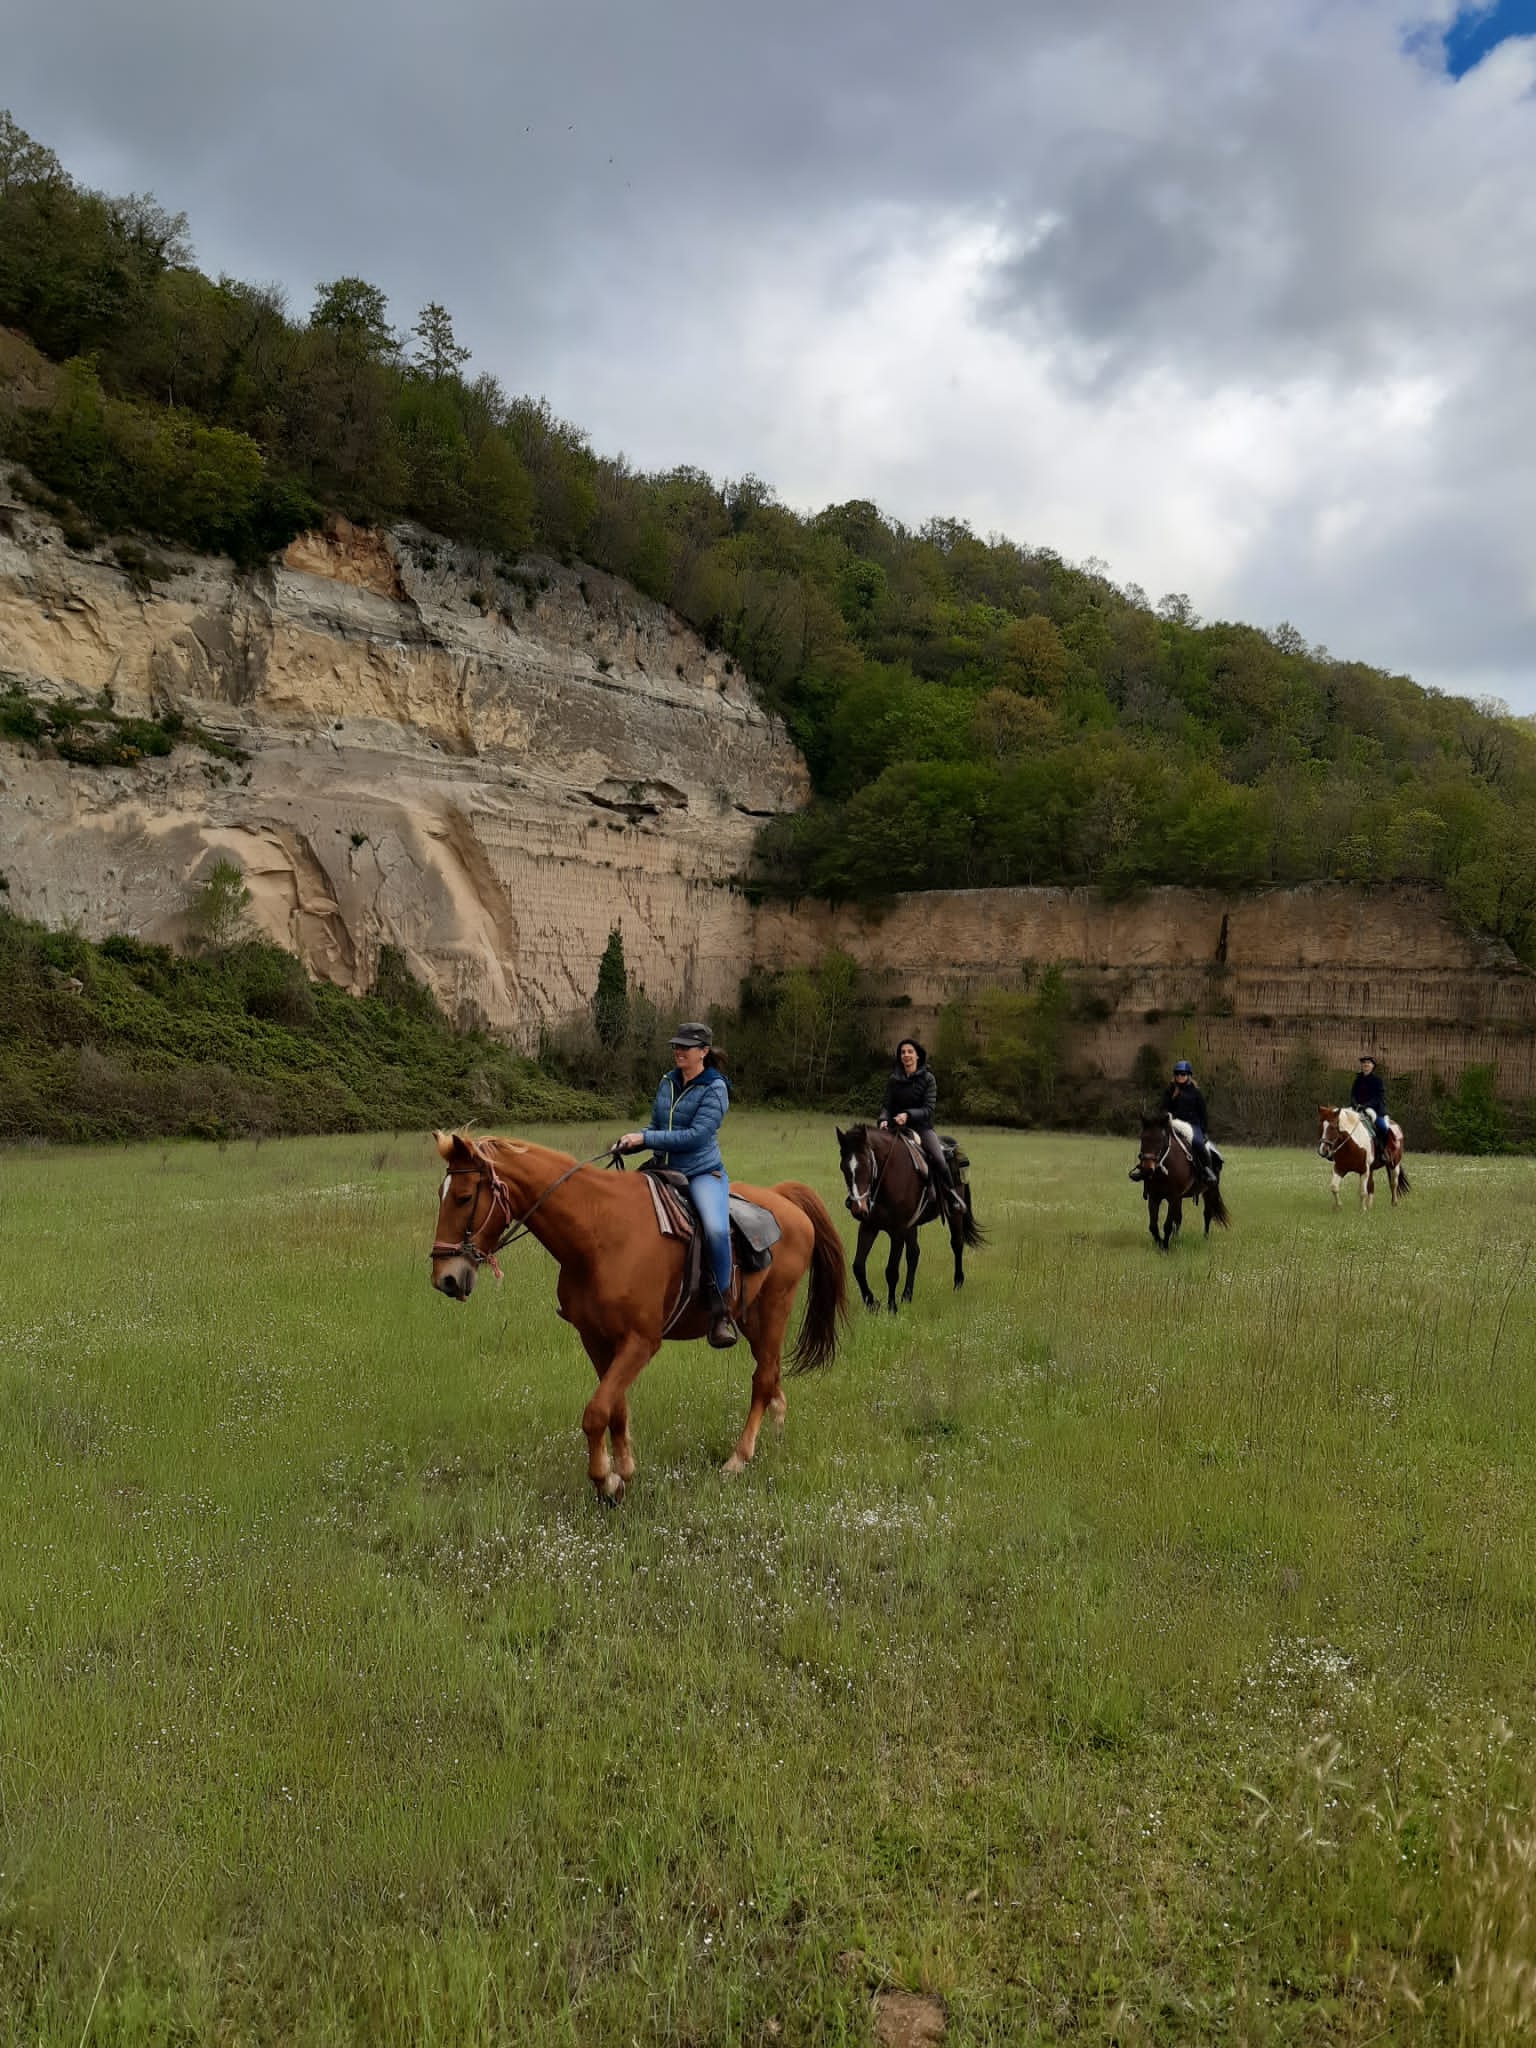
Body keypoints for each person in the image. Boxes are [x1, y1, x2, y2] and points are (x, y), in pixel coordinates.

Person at [618, 1022, 738, 1348]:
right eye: (676, 1045)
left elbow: (696, 1136)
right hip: (661, 1168)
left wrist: (645, 1138)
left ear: (703, 1052)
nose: (678, 1051)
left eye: (686, 1046)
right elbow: (656, 1124)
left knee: (715, 1229)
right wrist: (635, 1142)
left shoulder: (715, 1088)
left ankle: (721, 1308)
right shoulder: (667, 1081)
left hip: (700, 1173)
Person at [879, 1038, 962, 1218]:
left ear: (917, 1056)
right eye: (902, 1052)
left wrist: (907, 1115)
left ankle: (952, 1196)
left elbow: (928, 1109)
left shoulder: (928, 1079)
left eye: (910, 1052)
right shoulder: (894, 1079)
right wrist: (884, 1119)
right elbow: (886, 1105)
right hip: (896, 1128)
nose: (906, 1055)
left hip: (922, 1128)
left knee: (939, 1159)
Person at [1132, 1058, 1215, 1185]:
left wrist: (1203, 1131)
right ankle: (1143, 1168)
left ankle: (1207, 1171)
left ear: (1188, 1076)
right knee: (1153, 1139)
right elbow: (1163, 1108)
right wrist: (1165, 1115)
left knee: (1198, 1144)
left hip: (1192, 1126)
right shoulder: (1170, 1090)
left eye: (1183, 1074)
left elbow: (1203, 1113)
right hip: (1172, 1122)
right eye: (1177, 1074)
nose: (1180, 1076)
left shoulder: (1196, 1093)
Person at [1350, 1054, 1390, 1167]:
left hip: (1375, 1110)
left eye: (1368, 1063)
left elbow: (1378, 1098)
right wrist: (1354, 1104)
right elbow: (1352, 1095)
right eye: (1364, 1063)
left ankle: (1383, 1151)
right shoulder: (1357, 1080)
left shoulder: (1378, 1081)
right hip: (1357, 1109)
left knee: (1383, 1127)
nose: (1366, 1065)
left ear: (1372, 1066)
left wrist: (1366, 1106)